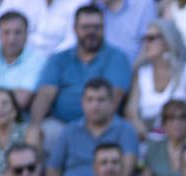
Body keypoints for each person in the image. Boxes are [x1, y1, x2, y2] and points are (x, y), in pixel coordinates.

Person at [28, 6, 133, 150]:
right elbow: (45, 94)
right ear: (75, 29)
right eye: (85, 27)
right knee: (41, 134)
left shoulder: (117, 58)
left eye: (96, 27)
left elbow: (114, 97)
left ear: (104, 28)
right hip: (61, 124)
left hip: (102, 124)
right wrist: (34, 125)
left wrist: (85, 129)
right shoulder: (59, 58)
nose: (91, 32)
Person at [46, 77, 139, 176]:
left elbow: (126, 169)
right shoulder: (69, 131)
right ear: (82, 102)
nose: (95, 105)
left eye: (101, 100)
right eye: (90, 100)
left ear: (112, 103)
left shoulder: (126, 130)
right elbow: (53, 169)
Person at [125, 18, 186, 140]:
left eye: (151, 38)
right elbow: (131, 112)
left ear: (167, 40)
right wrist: (147, 137)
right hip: (147, 139)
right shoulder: (142, 73)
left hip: (180, 139)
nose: (146, 44)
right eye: (145, 39)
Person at [141, 100, 186, 176]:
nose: (177, 122)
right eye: (171, 118)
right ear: (163, 124)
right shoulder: (155, 148)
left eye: (182, 117)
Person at [98, 0, 159, 65]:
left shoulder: (143, 4)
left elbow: (148, 48)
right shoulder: (95, 8)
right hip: (102, 70)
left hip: (136, 70)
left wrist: (127, 72)